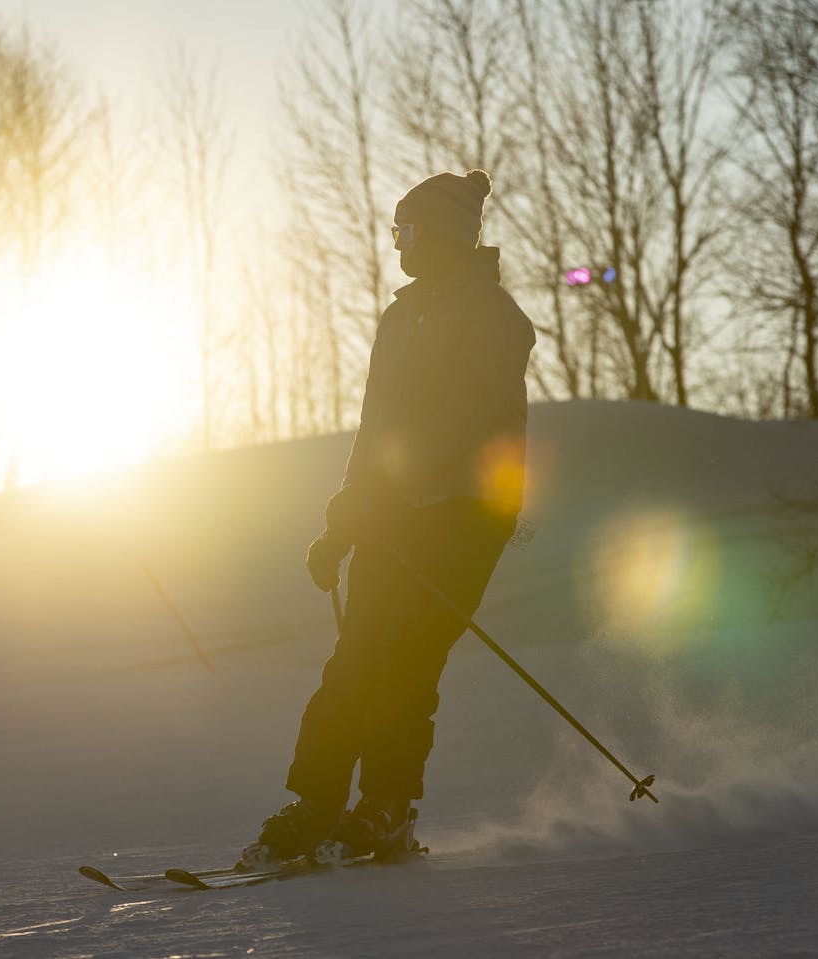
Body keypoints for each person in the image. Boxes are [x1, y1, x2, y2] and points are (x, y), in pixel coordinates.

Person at [243, 169, 536, 865]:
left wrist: (390, 479)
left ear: (443, 234)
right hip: (394, 509)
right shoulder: (400, 317)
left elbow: (469, 414)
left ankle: (388, 806)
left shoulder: (493, 314)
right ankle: (317, 804)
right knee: (355, 658)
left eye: (407, 229)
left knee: (405, 650)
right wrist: (342, 521)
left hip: (467, 509)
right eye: (394, 229)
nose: (398, 243)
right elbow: (375, 428)